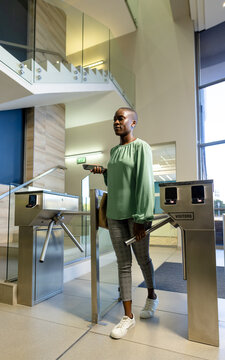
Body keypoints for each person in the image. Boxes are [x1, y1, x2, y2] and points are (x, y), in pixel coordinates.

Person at [91, 107, 158, 339]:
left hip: (135, 215)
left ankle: (151, 296)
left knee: (143, 259)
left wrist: (142, 219)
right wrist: (105, 173)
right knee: (123, 263)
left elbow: (144, 183)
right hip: (115, 214)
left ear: (133, 122)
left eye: (121, 119)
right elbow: (117, 182)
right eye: (115, 120)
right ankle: (128, 316)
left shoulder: (142, 147)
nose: (117, 123)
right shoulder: (113, 151)